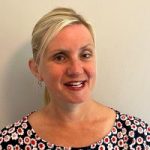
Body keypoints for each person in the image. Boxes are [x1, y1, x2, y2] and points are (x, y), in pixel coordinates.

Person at [0, 7, 150, 150]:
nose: (76, 70)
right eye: (60, 57)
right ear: (36, 69)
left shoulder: (137, 136)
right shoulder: (10, 142)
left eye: (85, 55)